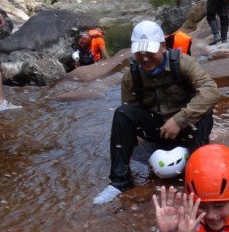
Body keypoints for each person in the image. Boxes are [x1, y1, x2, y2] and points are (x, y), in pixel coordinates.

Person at [93, 20, 219, 205]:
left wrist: (179, 120)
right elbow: (131, 110)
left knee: (204, 111)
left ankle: (196, 176)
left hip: (187, 127)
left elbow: (211, 91)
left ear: (162, 46)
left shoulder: (183, 63)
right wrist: (130, 143)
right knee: (122, 113)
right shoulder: (131, 76)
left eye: (150, 51)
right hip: (159, 130)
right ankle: (120, 181)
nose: (145, 58)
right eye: (139, 52)